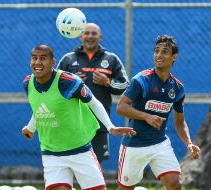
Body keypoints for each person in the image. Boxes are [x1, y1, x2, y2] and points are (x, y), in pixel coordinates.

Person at [22, 44, 136, 190]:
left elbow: (94, 103)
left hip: (80, 150)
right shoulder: (28, 83)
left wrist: (110, 127)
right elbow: (40, 108)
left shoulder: (68, 82)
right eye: (34, 58)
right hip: (51, 153)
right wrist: (30, 128)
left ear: (53, 62)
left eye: (43, 58)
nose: (37, 62)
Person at [116, 35, 201, 190]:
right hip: (134, 144)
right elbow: (121, 107)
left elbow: (180, 121)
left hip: (159, 143)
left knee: (175, 184)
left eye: (164, 52)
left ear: (174, 56)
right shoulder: (141, 80)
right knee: (125, 188)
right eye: (156, 51)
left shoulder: (177, 88)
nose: (159, 55)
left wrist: (188, 143)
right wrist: (146, 116)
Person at [57, 23, 130, 163]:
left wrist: (107, 82)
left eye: (94, 33)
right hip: (72, 121)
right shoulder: (68, 59)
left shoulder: (111, 59)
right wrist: (72, 82)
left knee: (96, 163)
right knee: (69, 162)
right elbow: (54, 85)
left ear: (100, 37)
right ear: (80, 36)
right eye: (86, 33)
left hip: (98, 122)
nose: (90, 36)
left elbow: (125, 85)